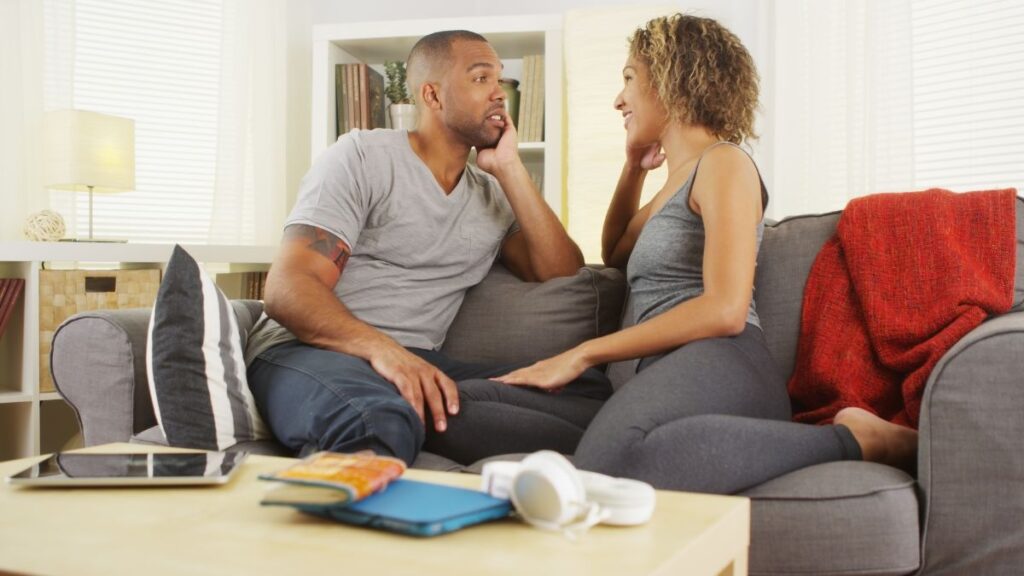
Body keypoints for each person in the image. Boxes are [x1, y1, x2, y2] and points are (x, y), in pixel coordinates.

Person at [492, 14, 918, 494]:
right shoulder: (677, 178)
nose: (619, 99)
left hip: (726, 361)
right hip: (673, 373)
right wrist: (633, 167)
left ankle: (856, 441)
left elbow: (725, 309)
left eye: (629, 79)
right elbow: (615, 253)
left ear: (670, 78)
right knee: (467, 409)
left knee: (610, 462)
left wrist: (583, 354)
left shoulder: (725, 162)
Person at [244, 30, 612, 466]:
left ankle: (428, 412)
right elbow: (288, 289)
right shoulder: (362, 157)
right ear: (432, 96)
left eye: (501, 79)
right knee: (373, 419)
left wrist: (510, 168)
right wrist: (387, 354)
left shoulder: (492, 194)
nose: (499, 93)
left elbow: (559, 270)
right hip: (311, 351)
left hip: (415, 359)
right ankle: (392, 429)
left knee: (587, 390)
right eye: (480, 79)